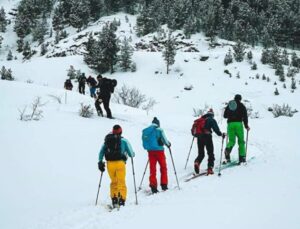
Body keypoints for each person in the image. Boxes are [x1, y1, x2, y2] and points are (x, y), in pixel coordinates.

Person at [98, 125, 135, 208]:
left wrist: (100, 161)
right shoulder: (124, 141)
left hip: (110, 164)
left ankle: (114, 200)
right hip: (120, 163)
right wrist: (131, 154)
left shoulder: (107, 140)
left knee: (114, 181)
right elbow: (131, 154)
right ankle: (121, 201)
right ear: (121, 132)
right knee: (121, 182)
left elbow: (101, 152)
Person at [142, 117, 171, 194]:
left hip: (150, 151)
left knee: (152, 168)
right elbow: (165, 140)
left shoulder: (147, 130)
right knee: (163, 167)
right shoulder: (159, 130)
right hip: (159, 151)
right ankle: (164, 184)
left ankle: (153, 185)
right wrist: (168, 144)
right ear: (158, 123)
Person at [192, 109, 225, 175]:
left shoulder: (200, 119)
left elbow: (194, 131)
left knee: (201, 154)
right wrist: (221, 134)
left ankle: (197, 162)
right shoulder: (211, 119)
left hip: (199, 137)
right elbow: (216, 129)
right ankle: (210, 168)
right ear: (212, 114)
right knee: (210, 153)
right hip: (207, 136)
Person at [223, 94, 250, 164]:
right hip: (238, 124)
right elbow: (245, 116)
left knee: (231, 141)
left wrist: (230, 115)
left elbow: (225, 116)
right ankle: (242, 157)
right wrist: (246, 125)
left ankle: (227, 150)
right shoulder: (242, 106)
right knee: (241, 141)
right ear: (240, 99)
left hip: (230, 124)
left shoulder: (230, 105)